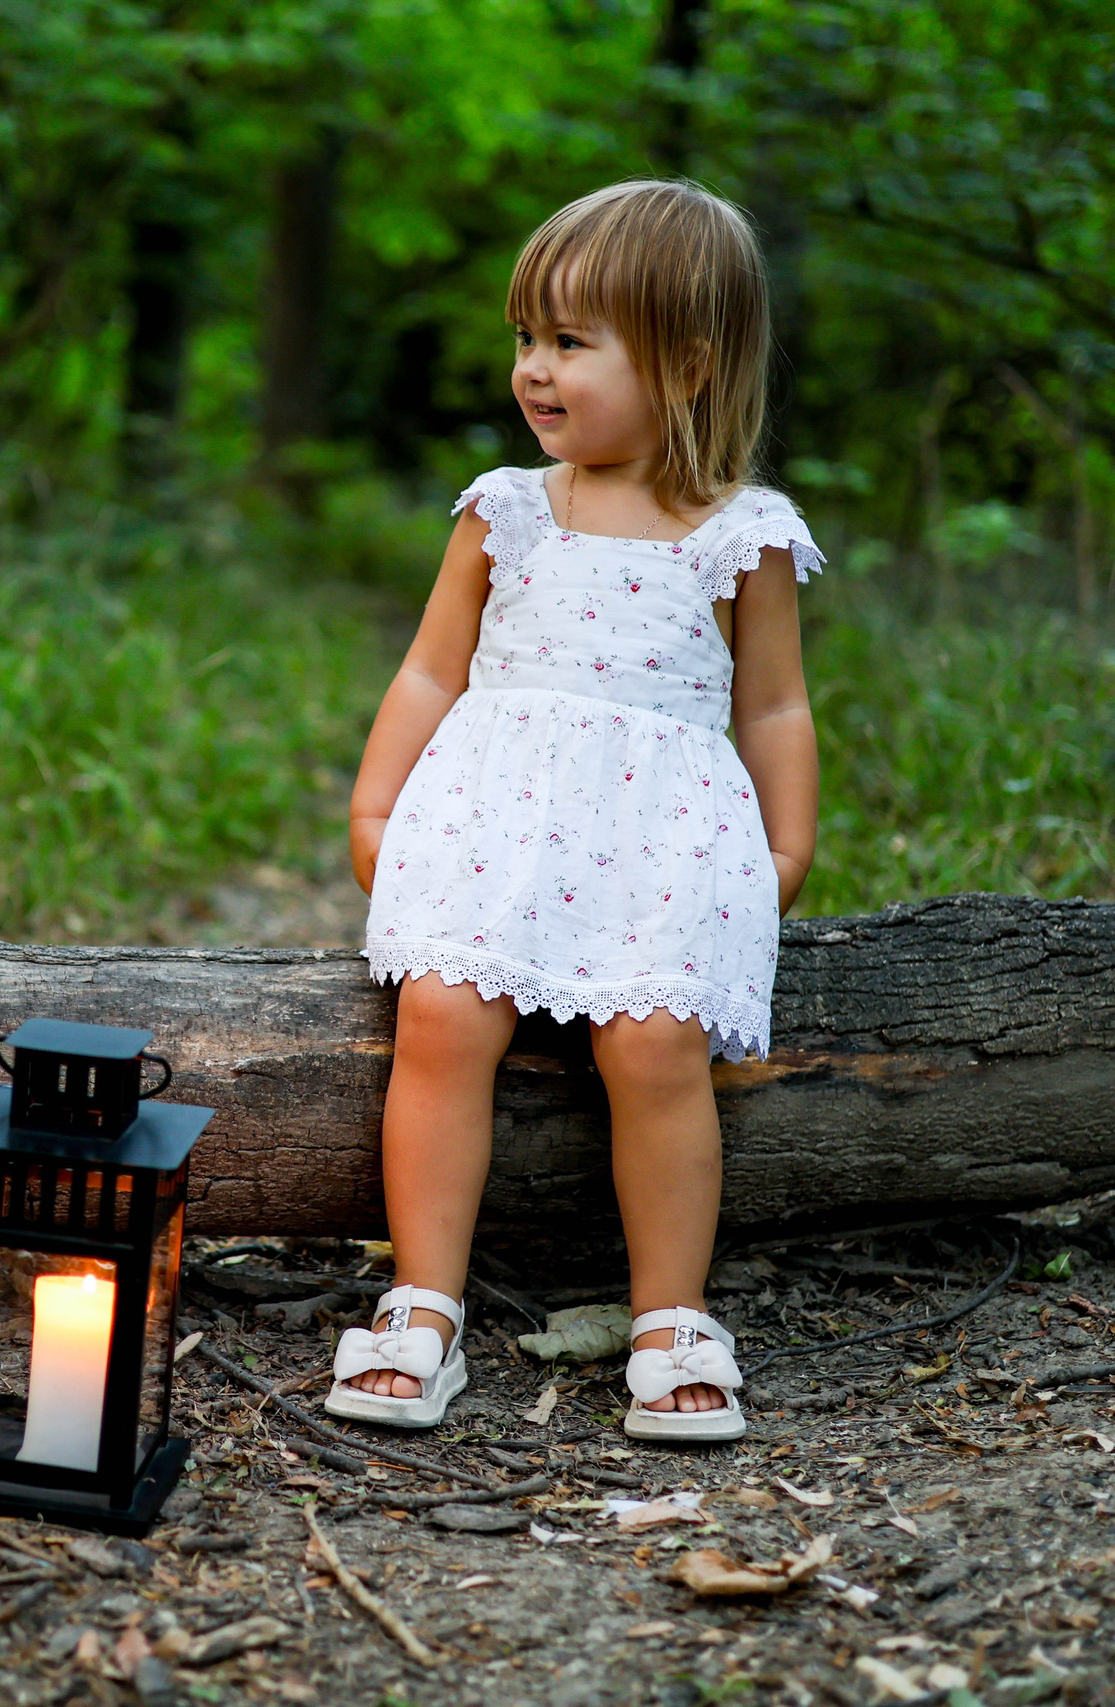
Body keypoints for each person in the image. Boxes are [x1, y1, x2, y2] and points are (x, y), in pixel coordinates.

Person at [326, 179, 821, 1441]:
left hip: (660, 840)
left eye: (570, 342)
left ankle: (669, 1315)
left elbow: (771, 709)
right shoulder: (506, 511)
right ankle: (421, 1303)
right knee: (440, 1016)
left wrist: (784, 844)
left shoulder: (741, 534)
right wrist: (377, 806)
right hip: (495, 821)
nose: (534, 370)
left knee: (655, 1048)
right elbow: (432, 669)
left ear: (690, 362)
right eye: (525, 338)